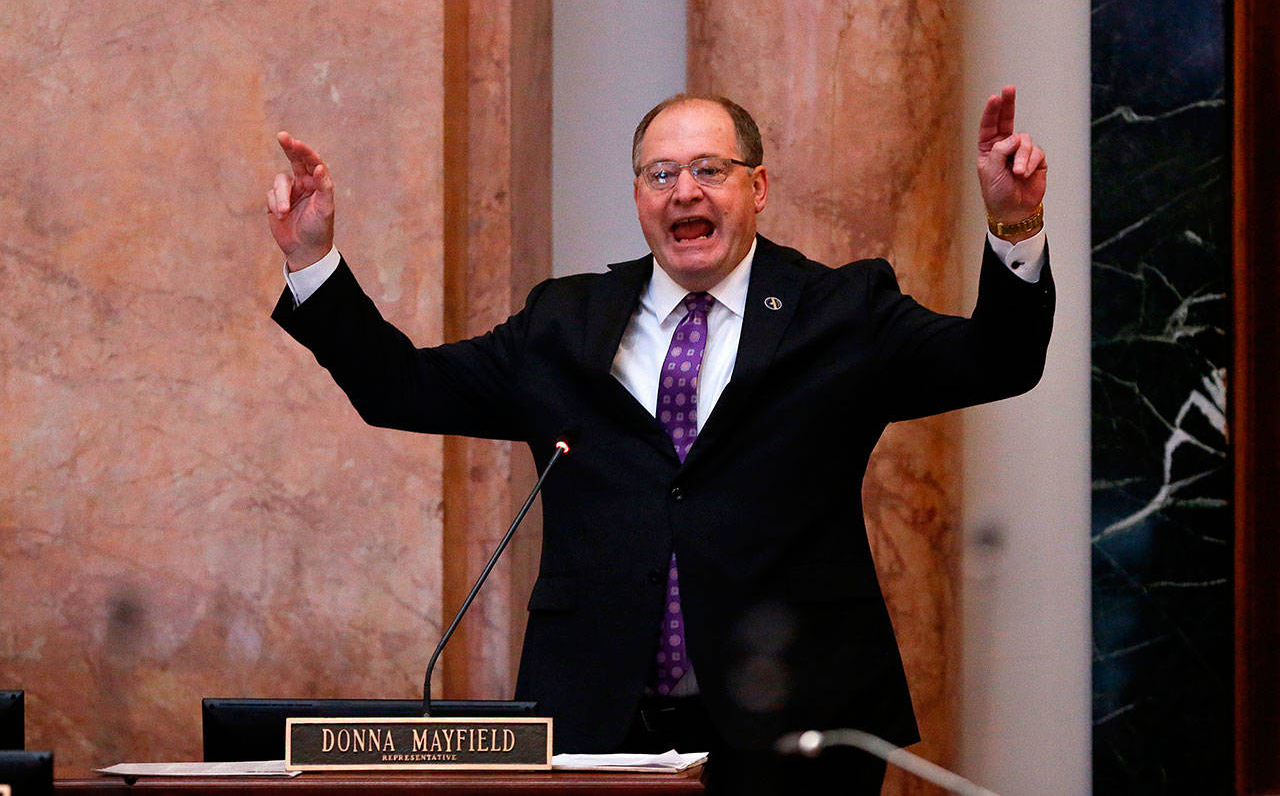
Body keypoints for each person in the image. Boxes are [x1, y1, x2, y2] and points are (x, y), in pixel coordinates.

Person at [265, 88, 1052, 794]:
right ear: (639, 195)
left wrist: (1014, 225)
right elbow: (399, 386)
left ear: (758, 187)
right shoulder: (562, 322)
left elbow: (997, 360)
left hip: (796, 724)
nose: (684, 192)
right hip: (597, 726)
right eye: (661, 174)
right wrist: (312, 259)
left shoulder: (842, 311)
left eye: (710, 169)